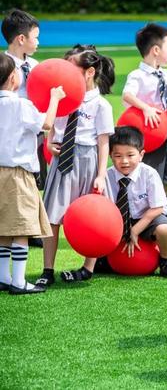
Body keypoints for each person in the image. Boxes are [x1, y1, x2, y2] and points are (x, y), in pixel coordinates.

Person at [35, 45, 115, 286]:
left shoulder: (101, 105)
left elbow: (103, 143)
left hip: (87, 160)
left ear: (89, 72)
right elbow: (53, 126)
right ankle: (47, 270)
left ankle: (87, 268)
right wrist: (49, 145)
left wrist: (101, 175)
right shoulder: (62, 98)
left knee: (91, 217)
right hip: (63, 161)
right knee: (52, 217)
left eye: (72, 67)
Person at [0, 53, 64, 294]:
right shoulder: (20, 105)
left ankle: (3, 276)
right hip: (18, 174)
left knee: (3, 227)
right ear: (13, 77)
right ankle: (18, 281)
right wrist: (55, 98)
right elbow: (46, 125)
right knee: (22, 228)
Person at [122, 23, 167, 245]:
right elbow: (127, 95)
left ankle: (166, 225)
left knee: (165, 183)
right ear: (155, 50)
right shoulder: (137, 75)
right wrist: (146, 108)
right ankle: (137, 224)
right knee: (145, 181)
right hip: (148, 141)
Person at [104, 126, 167, 277]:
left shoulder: (149, 174)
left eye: (130, 155)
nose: (124, 161)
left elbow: (157, 208)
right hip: (118, 221)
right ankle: (102, 258)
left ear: (141, 155)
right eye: (118, 156)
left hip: (147, 218)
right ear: (110, 155)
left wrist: (135, 230)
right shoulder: (106, 176)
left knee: (165, 229)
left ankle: (166, 261)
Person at [1, 9, 48, 226]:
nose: (38, 41)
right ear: (21, 38)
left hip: (35, 127)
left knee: (35, 177)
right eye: (35, 36)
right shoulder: (4, 66)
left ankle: (31, 225)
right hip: (11, 132)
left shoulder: (36, 66)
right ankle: (16, 226)